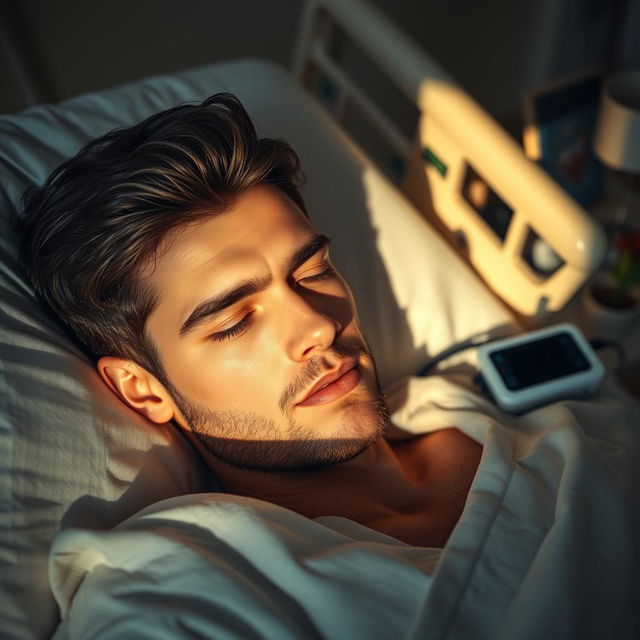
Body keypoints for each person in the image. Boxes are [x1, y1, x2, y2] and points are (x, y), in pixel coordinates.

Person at [18, 93, 482, 548]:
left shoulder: (489, 415)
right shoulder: (202, 587)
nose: (318, 327)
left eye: (313, 271)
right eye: (236, 322)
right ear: (143, 388)